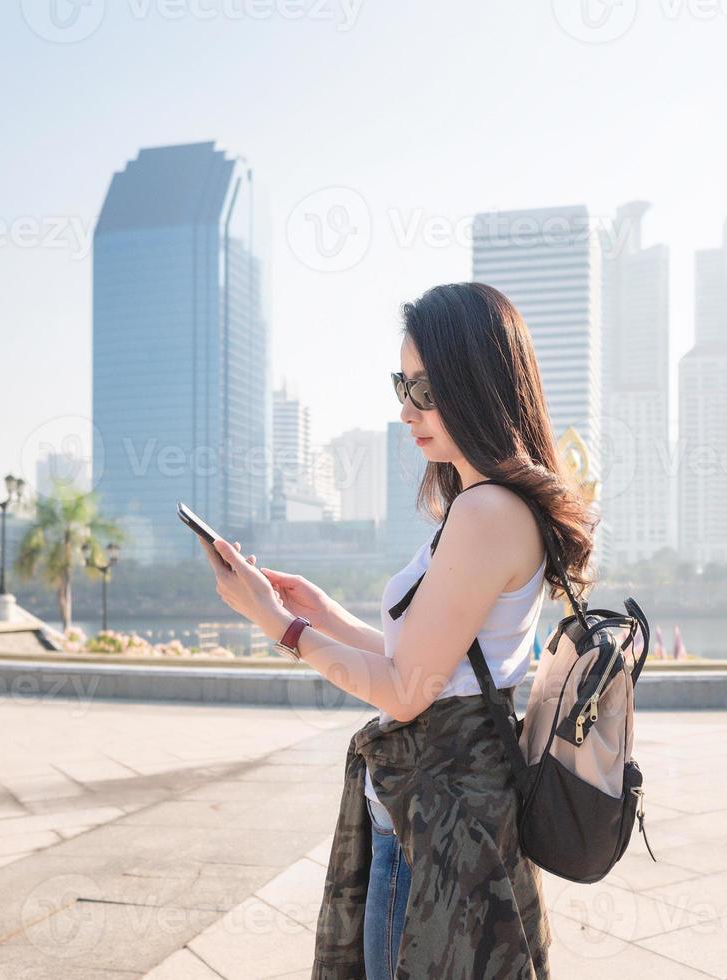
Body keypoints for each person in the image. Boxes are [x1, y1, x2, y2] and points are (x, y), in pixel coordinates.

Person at [200, 281, 596, 979]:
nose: (406, 408)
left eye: (426, 389)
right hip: (444, 818)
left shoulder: (486, 513)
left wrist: (276, 623)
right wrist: (318, 613)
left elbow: (406, 692)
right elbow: (423, 661)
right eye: (401, 384)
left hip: (438, 835)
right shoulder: (485, 505)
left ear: (477, 385)